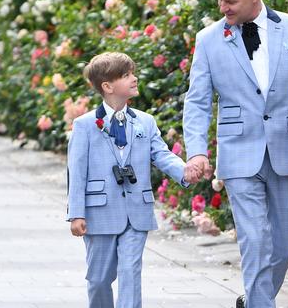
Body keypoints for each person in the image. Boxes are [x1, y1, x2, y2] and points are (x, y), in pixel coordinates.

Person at [182, 0, 288, 308]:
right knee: (255, 240)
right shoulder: (208, 39)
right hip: (238, 152)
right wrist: (197, 151)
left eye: (230, 1)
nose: (222, 7)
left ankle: (254, 300)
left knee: (285, 242)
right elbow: (198, 102)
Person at [66, 52, 199, 308]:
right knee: (98, 279)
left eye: (132, 73)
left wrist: (184, 171)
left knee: (131, 271)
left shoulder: (145, 122)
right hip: (99, 212)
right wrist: (76, 213)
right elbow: (76, 171)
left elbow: (161, 154)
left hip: (137, 209)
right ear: (107, 86)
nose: (134, 78)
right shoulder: (84, 125)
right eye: (126, 75)